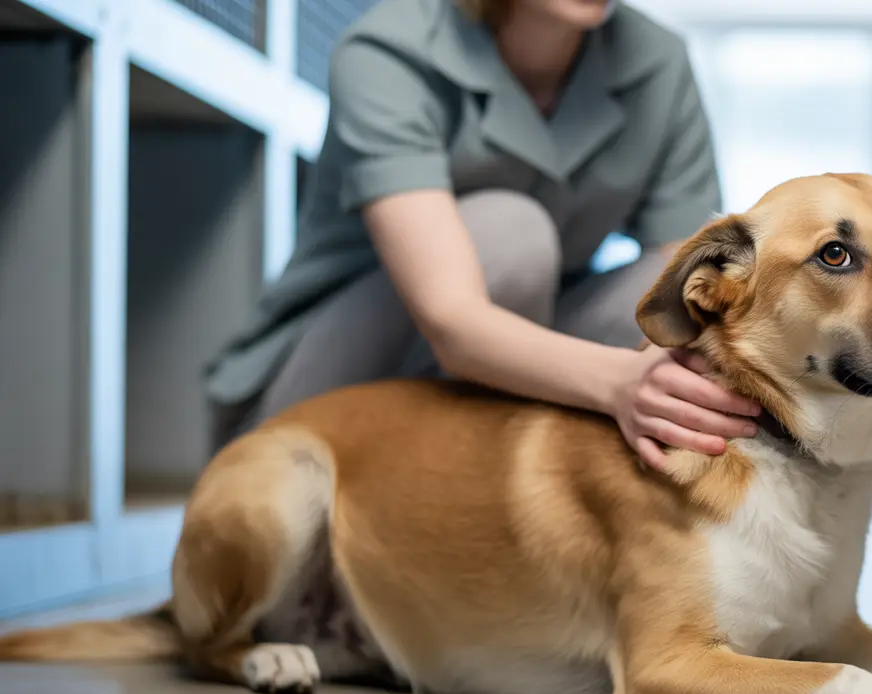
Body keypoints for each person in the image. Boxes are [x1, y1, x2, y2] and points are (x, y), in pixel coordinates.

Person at [204, 0, 760, 472]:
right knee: (509, 236)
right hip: (330, 383)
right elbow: (453, 322)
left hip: (514, 368)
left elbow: (690, 289)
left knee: (677, 299)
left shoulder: (657, 60)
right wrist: (620, 382)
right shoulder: (390, 49)